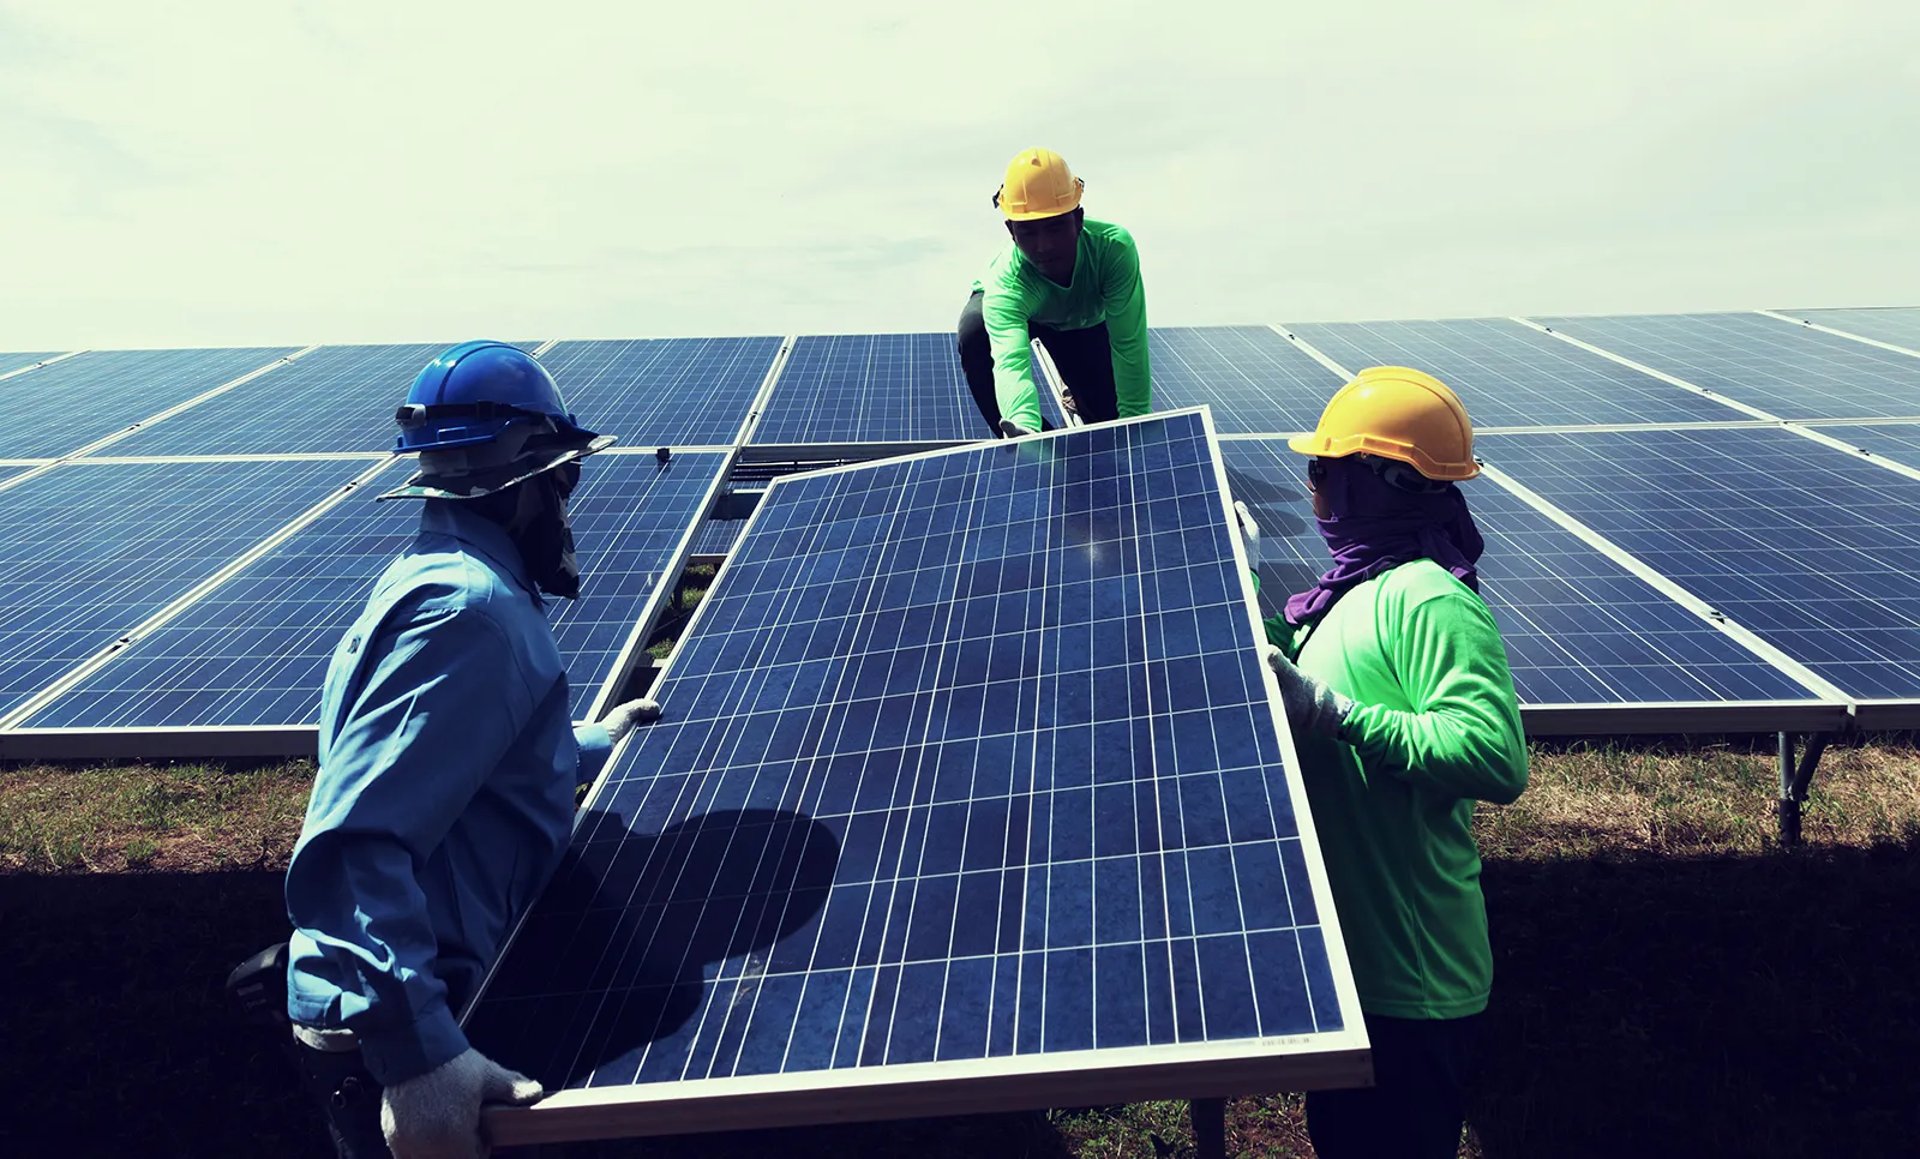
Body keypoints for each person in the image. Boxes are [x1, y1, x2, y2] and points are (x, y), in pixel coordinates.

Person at [274, 341, 662, 1158]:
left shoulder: (444, 576)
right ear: (523, 485)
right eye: (564, 476)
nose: (569, 499)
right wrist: (420, 1060)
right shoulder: (466, 613)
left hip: (423, 1003)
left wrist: (591, 743)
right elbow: (355, 843)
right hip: (406, 1032)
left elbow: (456, 760)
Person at [1249, 366, 1529, 1158]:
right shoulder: (1348, 592)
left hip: (1414, 981)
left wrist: (1336, 714)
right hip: (1357, 971)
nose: (1313, 488)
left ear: (1378, 481)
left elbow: (1496, 754)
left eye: (1322, 469)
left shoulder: (1430, 598)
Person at [955, 147, 1151, 439]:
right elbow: (1010, 361)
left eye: (1055, 228)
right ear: (1011, 232)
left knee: (1108, 420)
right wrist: (1025, 428)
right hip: (1023, 315)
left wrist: (1136, 427)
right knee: (974, 328)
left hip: (1081, 323)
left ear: (1078, 219)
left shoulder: (1113, 251)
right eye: (1028, 232)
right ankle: (1037, 443)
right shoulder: (1006, 284)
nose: (1044, 246)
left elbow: (1128, 344)